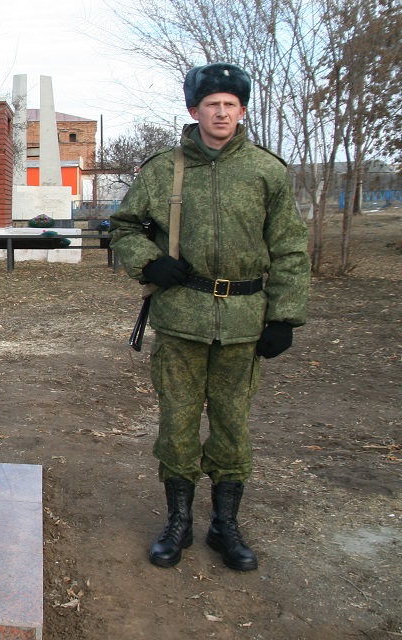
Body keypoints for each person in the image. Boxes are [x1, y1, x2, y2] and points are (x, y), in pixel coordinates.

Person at [110, 63, 310, 572]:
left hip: (243, 323)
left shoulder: (266, 171)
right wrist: (148, 261)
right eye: (212, 104)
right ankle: (178, 522)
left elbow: (289, 247)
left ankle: (226, 525)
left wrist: (284, 317)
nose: (221, 113)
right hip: (182, 318)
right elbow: (124, 226)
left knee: (232, 427)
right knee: (177, 423)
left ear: (241, 111)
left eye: (230, 105)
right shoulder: (164, 169)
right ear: (193, 110)